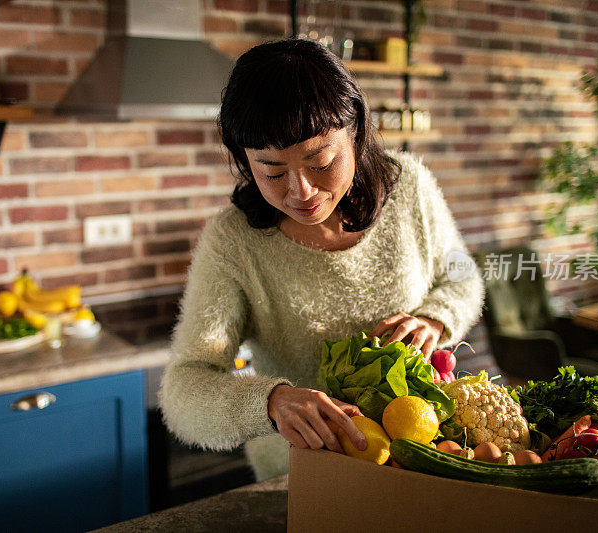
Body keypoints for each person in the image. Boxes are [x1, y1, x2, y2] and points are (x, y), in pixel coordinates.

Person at [159, 39, 484, 481]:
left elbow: (463, 276)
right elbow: (183, 391)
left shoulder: (410, 187)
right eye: (272, 171)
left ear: (356, 134)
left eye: (321, 161)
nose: (302, 191)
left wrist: (436, 318)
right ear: (244, 161)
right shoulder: (234, 243)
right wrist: (271, 401)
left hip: (424, 458)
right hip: (303, 476)